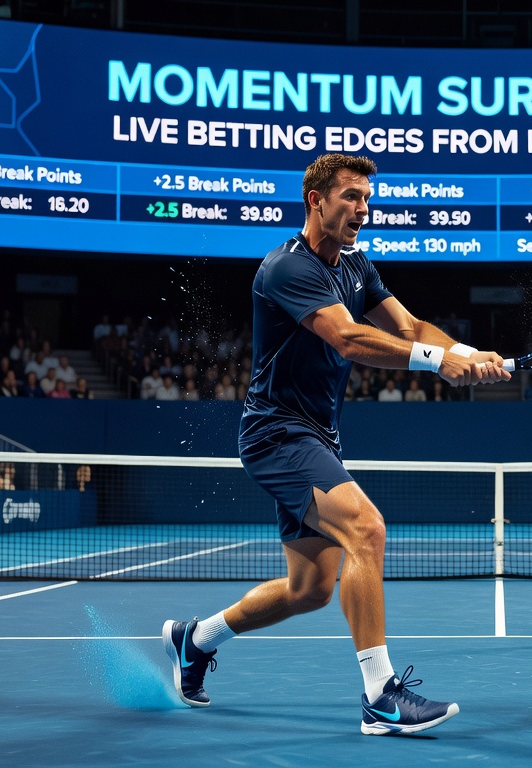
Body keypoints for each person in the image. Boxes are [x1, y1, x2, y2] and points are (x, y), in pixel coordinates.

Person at [159, 154, 508, 736]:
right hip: (277, 432)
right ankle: (381, 697)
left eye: (367, 198)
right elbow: (346, 338)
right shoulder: (285, 268)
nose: (363, 208)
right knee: (367, 530)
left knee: (310, 590)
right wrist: (436, 361)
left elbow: (409, 328)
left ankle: (194, 641)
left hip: (318, 436)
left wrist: (466, 355)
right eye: (351, 196)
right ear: (315, 200)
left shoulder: (357, 265)